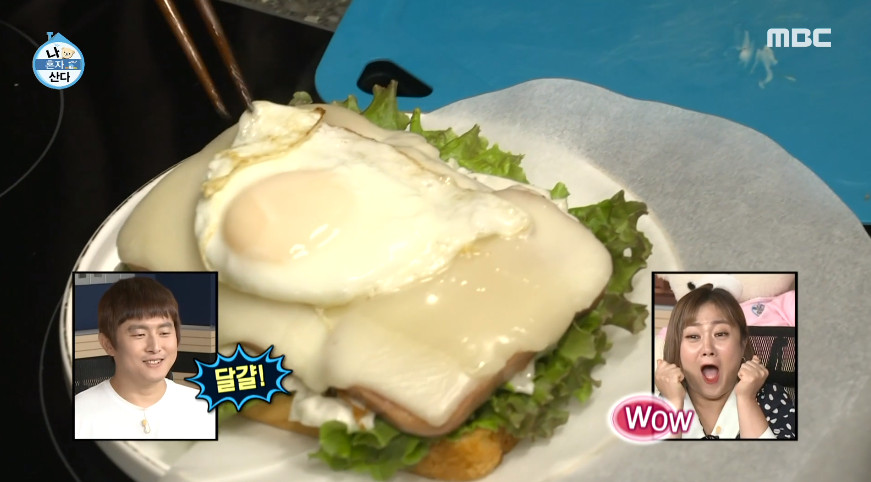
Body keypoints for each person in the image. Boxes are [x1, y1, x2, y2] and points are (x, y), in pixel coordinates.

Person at [75, 277, 216, 439]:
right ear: (108, 344)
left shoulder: (205, 408)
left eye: (164, 333)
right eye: (139, 334)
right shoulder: (79, 415)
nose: (155, 347)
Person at [655, 283, 795, 439]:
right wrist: (673, 403)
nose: (707, 348)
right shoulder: (664, 403)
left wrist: (746, 399)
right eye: (693, 336)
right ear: (678, 348)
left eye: (720, 334)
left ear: (742, 343)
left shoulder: (773, 398)